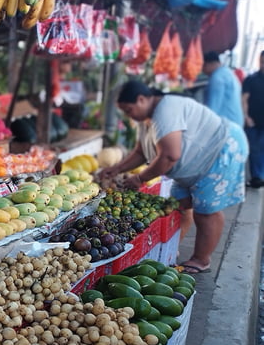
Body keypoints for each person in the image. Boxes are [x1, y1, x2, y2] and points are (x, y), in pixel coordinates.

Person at [101, 79, 248, 274]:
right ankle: (172, 247)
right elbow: (141, 152)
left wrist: (140, 178)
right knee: (180, 202)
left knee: (206, 210)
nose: (130, 116)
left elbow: (170, 155)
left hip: (220, 151)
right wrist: (117, 168)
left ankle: (201, 259)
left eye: (129, 110)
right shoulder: (147, 119)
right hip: (196, 162)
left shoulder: (165, 110)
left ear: (142, 99)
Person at [202, 51, 244, 125]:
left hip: (227, 125)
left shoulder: (217, 78)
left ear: (210, 64)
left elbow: (212, 109)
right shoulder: (228, 73)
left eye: (203, 66)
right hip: (237, 123)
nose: (202, 70)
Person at [242, 50, 264, 187]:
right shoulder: (251, 79)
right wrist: (246, 117)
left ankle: (259, 175)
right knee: (254, 150)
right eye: (262, 62)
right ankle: (257, 177)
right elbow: (244, 99)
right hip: (253, 122)